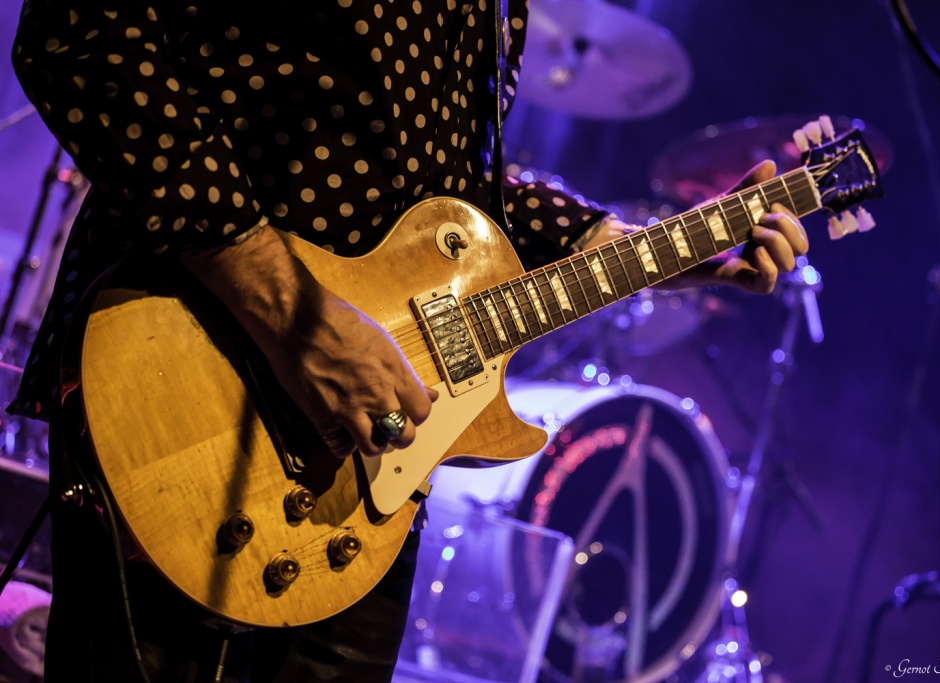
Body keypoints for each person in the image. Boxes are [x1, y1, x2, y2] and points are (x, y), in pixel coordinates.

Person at [8, 1, 808, 681]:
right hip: (196, 394)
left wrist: (651, 250)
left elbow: (452, 194)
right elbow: (84, 40)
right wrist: (295, 318)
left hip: (361, 485)